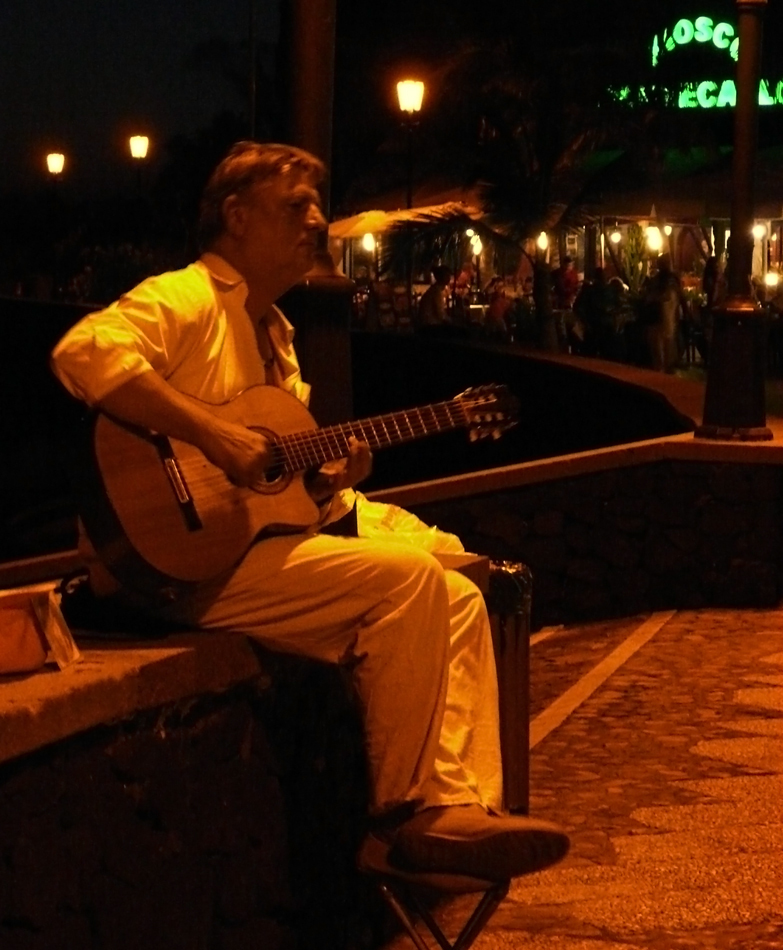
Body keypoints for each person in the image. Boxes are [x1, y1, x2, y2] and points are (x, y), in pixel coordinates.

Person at [50, 141, 567, 882]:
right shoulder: (188, 297)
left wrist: (324, 483)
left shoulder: (276, 336)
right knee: (406, 582)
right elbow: (82, 351)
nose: (317, 220)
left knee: (454, 594)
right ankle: (398, 822)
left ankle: (455, 810)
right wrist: (212, 432)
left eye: (316, 205)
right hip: (168, 569)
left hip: (236, 555)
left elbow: (270, 487)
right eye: (295, 206)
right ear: (235, 215)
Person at [417, 263, 452, 333]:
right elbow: (441, 314)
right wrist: (452, 321)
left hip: (427, 325)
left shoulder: (434, 289)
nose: (449, 278)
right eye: (448, 275)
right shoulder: (437, 291)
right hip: (430, 327)